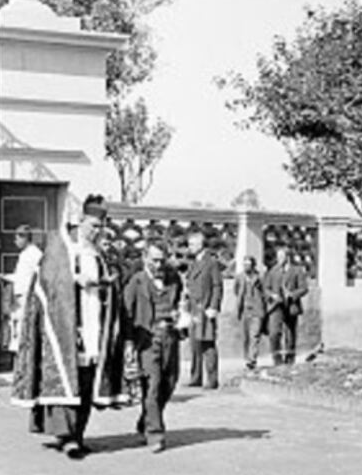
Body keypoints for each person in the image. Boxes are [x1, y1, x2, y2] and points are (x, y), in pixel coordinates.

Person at [11, 195, 123, 460]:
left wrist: (107, 283)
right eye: (93, 226)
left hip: (92, 321)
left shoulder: (99, 252)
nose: (96, 231)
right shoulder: (61, 245)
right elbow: (48, 278)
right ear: (81, 220)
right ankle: (67, 436)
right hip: (65, 324)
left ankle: (78, 434)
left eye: (100, 227)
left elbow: (110, 281)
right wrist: (74, 279)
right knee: (66, 379)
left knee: (86, 381)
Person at [123, 243, 185, 453]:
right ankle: (155, 434)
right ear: (144, 257)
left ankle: (146, 421)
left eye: (162, 260)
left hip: (170, 336)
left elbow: (181, 303)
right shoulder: (136, 281)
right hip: (147, 340)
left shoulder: (174, 279)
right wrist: (129, 342)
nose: (158, 265)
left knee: (170, 382)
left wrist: (180, 315)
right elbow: (127, 313)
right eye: (154, 260)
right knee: (153, 385)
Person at [185, 231, 223, 389]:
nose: (189, 247)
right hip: (194, 309)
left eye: (192, 244)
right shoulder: (194, 263)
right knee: (194, 344)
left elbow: (217, 286)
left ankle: (212, 379)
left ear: (200, 245)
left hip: (205, 308)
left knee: (208, 344)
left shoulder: (211, 262)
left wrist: (214, 306)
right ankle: (196, 377)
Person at [0, 225, 43, 354]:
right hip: (19, 295)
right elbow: (20, 276)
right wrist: (5, 277)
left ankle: (24, 353)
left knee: (24, 325)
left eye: (17, 238)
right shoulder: (24, 254)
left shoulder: (34, 253)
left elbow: (39, 272)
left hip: (27, 295)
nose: (15, 242)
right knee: (16, 323)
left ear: (25, 238)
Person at [263, 247, 308, 365]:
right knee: (274, 333)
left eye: (281, 257)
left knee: (290, 334)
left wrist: (292, 295)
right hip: (276, 306)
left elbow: (304, 288)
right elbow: (266, 288)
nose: (279, 259)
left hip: (291, 306)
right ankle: (276, 359)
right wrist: (272, 295)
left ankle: (290, 359)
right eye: (278, 257)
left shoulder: (297, 271)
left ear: (287, 257)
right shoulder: (273, 271)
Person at [234, 256, 266, 370]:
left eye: (248, 264)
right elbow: (236, 290)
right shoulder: (239, 277)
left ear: (253, 266)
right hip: (244, 310)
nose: (246, 267)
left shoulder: (260, 277)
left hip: (257, 309)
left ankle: (252, 359)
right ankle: (247, 357)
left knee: (255, 335)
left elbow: (265, 292)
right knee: (245, 337)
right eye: (244, 264)